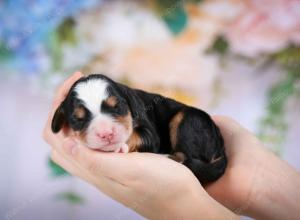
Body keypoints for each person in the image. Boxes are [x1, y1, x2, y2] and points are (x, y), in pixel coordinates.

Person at [43, 72, 300, 220]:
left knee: (185, 121)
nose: (105, 129)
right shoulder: (120, 105)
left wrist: (186, 206)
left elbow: (149, 139)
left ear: (128, 101)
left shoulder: (139, 110)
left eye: (115, 109)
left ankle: (193, 160)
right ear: (64, 120)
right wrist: (256, 187)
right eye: (81, 119)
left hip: (195, 127)